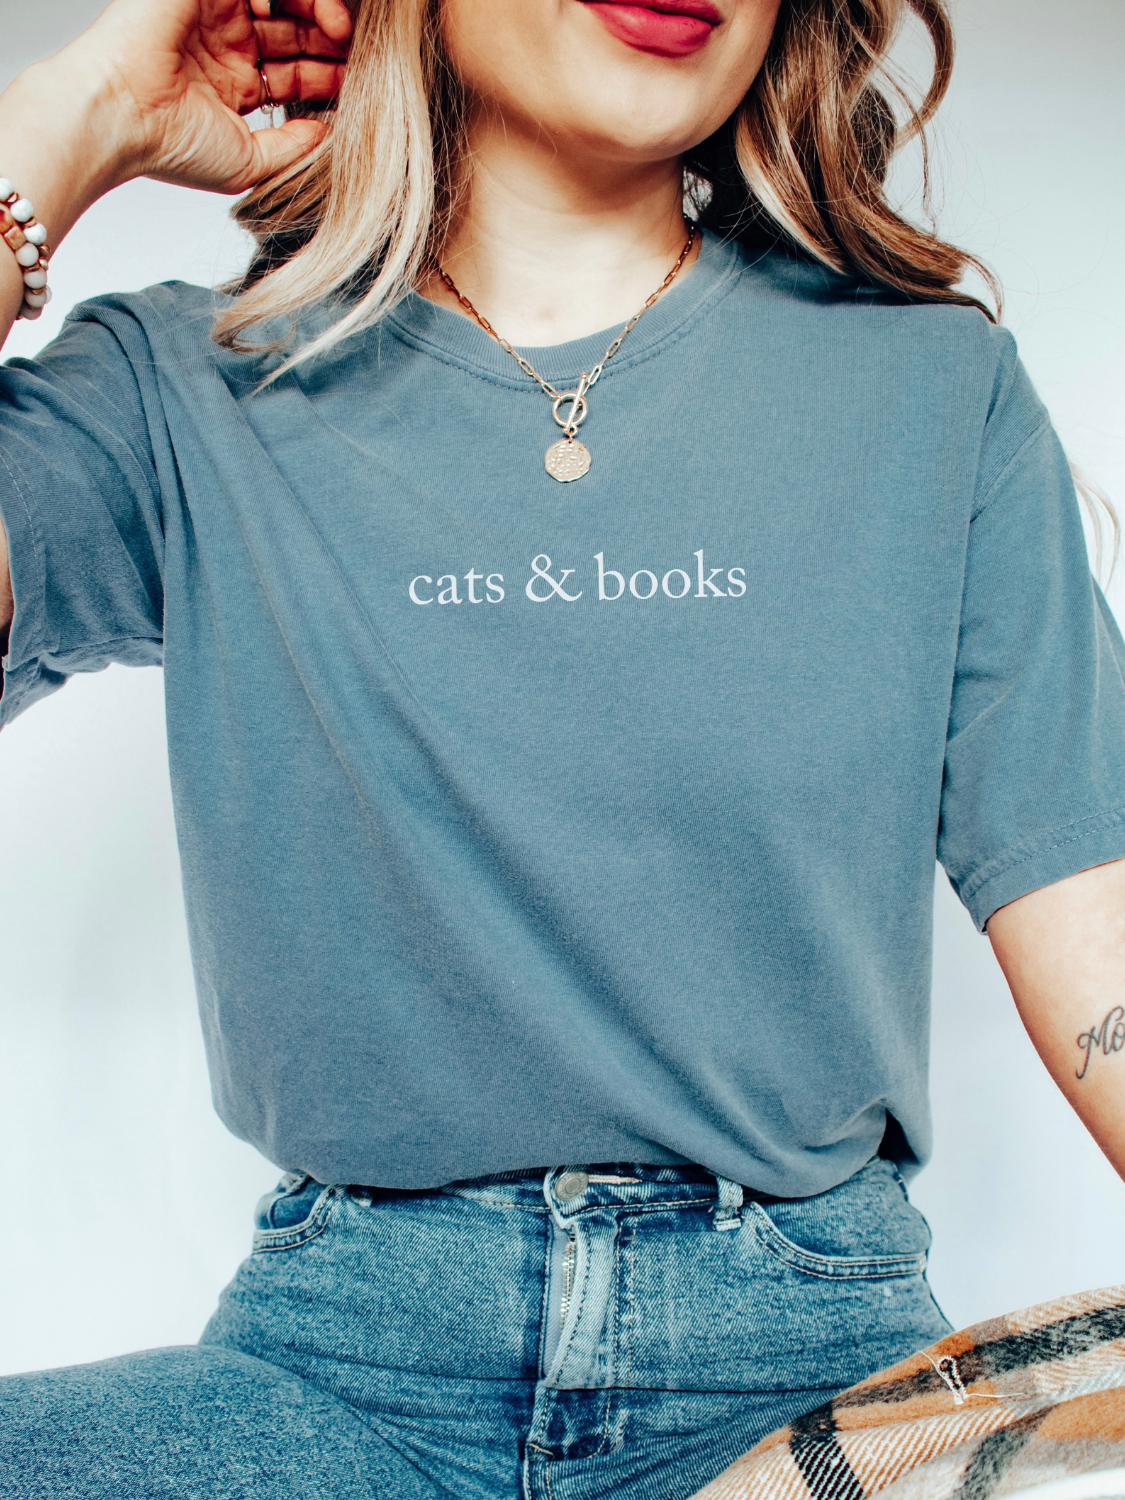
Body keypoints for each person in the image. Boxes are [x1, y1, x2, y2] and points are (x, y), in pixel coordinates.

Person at [1, 0, 1124, 1496]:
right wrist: (75, 119)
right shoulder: (182, 390)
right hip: (341, 1385)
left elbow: (1099, 940)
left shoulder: (932, 391)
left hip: (817, 1388)